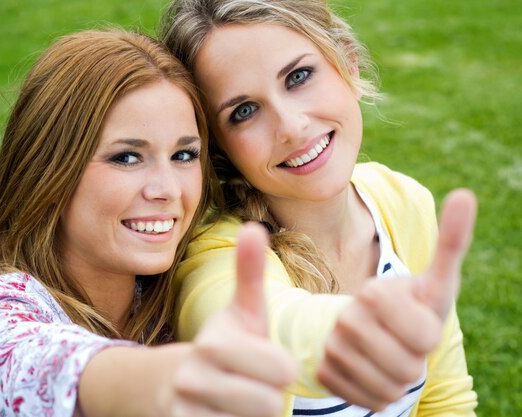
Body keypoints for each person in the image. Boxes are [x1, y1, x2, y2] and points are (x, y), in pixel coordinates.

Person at [0, 29, 298, 417]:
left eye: (184, 155)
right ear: (48, 171)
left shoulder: (167, 304)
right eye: (127, 158)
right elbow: (35, 367)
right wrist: (168, 379)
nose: (167, 190)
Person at [160, 0, 478, 415]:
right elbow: (258, 325)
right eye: (244, 111)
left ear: (348, 63)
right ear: (220, 148)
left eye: (298, 76)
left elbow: (444, 399)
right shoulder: (223, 257)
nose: (291, 127)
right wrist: (351, 335)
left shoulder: (404, 201)